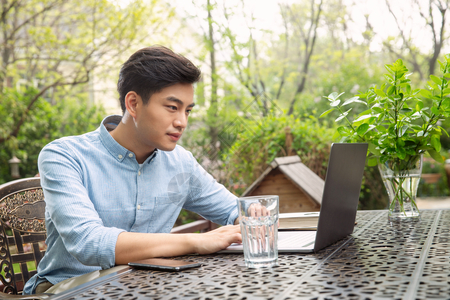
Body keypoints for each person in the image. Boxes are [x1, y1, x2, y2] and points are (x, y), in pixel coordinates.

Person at [24, 46, 242, 294]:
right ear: (134, 103)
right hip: (70, 290)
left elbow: (236, 211)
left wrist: (250, 218)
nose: (182, 121)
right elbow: (89, 242)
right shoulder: (65, 156)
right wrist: (196, 241)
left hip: (148, 287)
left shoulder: (181, 163)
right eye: (172, 107)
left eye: (188, 110)